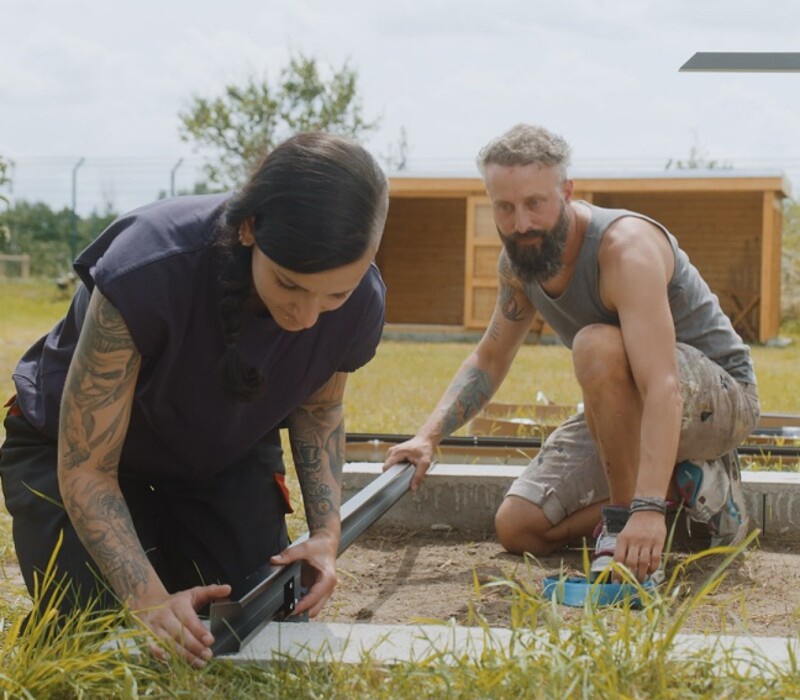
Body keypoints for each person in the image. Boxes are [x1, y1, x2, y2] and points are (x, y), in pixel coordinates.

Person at [0, 132, 389, 666]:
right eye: (290, 285)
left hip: (217, 455)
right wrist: (146, 597)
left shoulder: (361, 300)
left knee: (250, 613)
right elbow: (87, 468)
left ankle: (167, 543)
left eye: (335, 295)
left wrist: (325, 534)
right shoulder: (148, 265)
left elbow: (320, 408)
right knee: (101, 639)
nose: (306, 316)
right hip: (72, 457)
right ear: (250, 229)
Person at [384, 123, 759, 585]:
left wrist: (636, 511)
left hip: (718, 397)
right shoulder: (520, 263)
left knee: (596, 343)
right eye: (505, 207)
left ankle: (626, 524)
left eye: (534, 204)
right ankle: (679, 496)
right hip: (635, 399)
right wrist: (428, 436)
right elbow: (490, 357)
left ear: (566, 191)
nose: (521, 223)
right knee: (519, 526)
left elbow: (662, 385)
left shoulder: (625, 249)